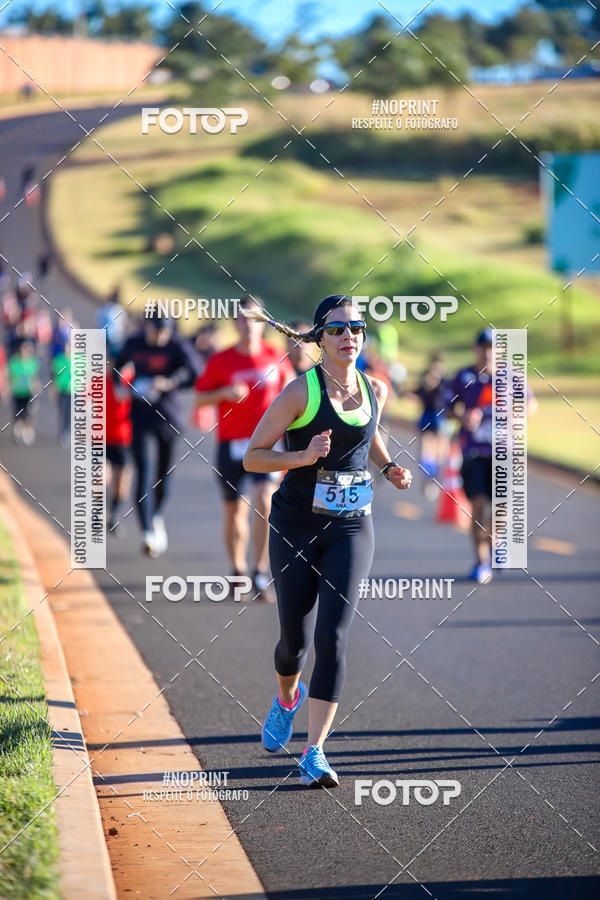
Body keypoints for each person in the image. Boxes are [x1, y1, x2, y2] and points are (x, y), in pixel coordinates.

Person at [243, 295, 412, 788]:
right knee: (293, 643)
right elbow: (254, 457)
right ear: (320, 339)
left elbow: (371, 433)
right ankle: (286, 697)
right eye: (338, 329)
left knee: (332, 636)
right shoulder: (300, 393)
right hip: (296, 525)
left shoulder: (375, 387)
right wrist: (302, 458)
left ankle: (314, 752)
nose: (349, 336)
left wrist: (387, 467)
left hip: (352, 526)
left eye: (356, 328)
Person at [194, 295, 294, 601]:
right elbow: (199, 398)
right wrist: (223, 392)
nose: (249, 325)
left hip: (266, 444)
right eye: (243, 319)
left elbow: (293, 393)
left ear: (264, 323)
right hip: (232, 445)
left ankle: (260, 570)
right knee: (234, 511)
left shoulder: (276, 357)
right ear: (235, 323)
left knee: (265, 502)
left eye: (255, 319)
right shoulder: (221, 360)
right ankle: (237, 570)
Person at [115, 312, 200, 557]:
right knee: (142, 469)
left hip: (168, 416)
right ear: (147, 326)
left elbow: (195, 372)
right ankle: (146, 530)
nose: (162, 335)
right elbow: (116, 366)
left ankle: (157, 515)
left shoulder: (177, 344)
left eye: (166, 330)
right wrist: (123, 386)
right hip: (140, 414)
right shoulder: (134, 342)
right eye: (158, 330)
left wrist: (170, 382)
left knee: (164, 476)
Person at [414, 352, 448, 498]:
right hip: (427, 416)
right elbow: (419, 393)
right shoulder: (426, 379)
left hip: (441, 417)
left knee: (441, 452)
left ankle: (436, 478)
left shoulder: (445, 381)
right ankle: (428, 479)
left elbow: (450, 397)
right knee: (426, 449)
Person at [8, 340, 40, 445]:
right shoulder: (15, 362)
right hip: (17, 392)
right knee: (18, 413)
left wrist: (36, 389)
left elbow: (35, 377)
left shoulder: (33, 363)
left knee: (29, 413)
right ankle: (17, 432)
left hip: (28, 392)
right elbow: (10, 376)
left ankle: (28, 432)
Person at [51, 339, 71, 447]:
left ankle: (68, 432)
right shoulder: (58, 360)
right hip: (62, 390)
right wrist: (53, 388)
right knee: (62, 412)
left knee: (71, 413)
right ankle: (62, 432)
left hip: (74, 391)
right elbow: (53, 375)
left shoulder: (79, 360)